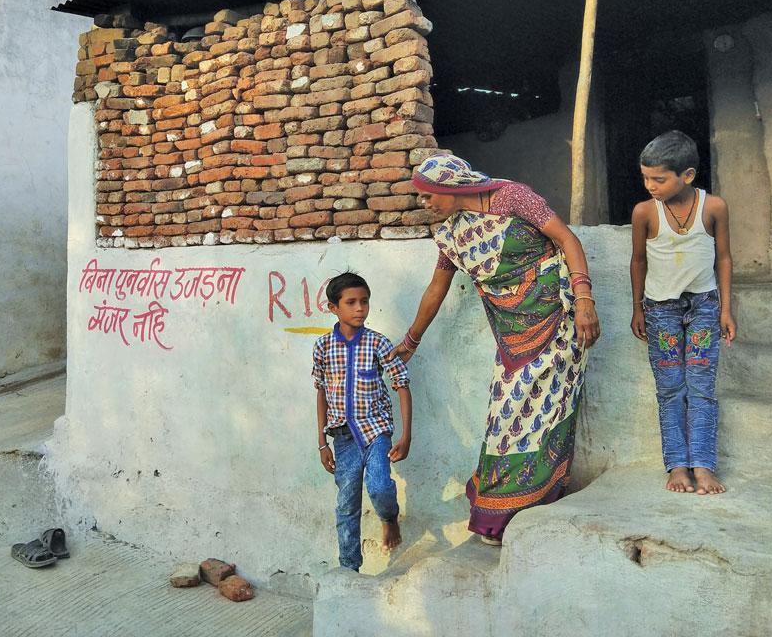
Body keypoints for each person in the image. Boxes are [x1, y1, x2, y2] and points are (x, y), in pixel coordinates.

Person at [391, 154, 599, 545]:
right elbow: (437, 289)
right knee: (507, 418)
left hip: (557, 317)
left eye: (428, 196)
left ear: (451, 189)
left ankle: (535, 500)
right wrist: (410, 341)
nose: (425, 204)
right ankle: (503, 510)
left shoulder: (513, 198)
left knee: (549, 411)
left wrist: (585, 298)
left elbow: (566, 239)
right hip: (512, 334)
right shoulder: (452, 234)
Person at [630, 130, 735, 495]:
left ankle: (703, 466)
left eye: (659, 179)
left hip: (705, 307)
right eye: (645, 177)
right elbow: (639, 261)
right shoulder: (645, 212)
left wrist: (726, 309)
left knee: (702, 387)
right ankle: (677, 466)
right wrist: (637, 308)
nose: (650, 186)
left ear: (687, 175)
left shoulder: (714, 207)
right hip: (660, 311)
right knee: (671, 389)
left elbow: (723, 258)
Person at [313, 271, 413, 572]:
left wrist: (406, 436)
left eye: (365, 302)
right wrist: (321, 443)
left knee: (381, 486)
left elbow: (401, 385)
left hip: (376, 431)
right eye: (351, 302)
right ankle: (348, 570)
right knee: (346, 505)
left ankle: (388, 519)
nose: (360, 309)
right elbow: (320, 392)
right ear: (333, 307)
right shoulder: (322, 347)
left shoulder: (378, 344)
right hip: (342, 438)